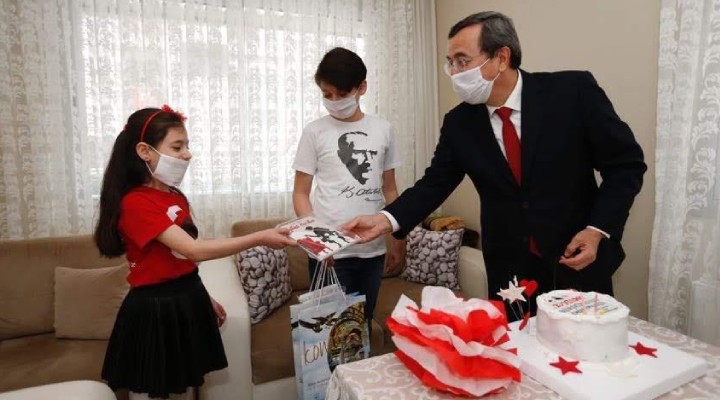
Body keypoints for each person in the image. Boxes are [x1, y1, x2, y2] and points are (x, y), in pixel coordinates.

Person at [342, 12, 647, 319]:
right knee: (515, 347)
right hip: (511, 271)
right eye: (450, 63)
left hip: (578, 258)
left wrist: (597, 230)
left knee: (586, 347)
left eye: (462, 61)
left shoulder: (572, 92)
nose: (454, 73)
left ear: (501, 58)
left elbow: (626, 165)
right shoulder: (459, 123)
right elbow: (435, 183)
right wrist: (385, 220)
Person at [94, 106, 296, 400]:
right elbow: (193, 249)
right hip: (157, 308)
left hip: (187, 296)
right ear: (144, 151)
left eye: (187, 146)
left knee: (189, 386)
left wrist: (202, 296)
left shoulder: (174, 196)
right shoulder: (136, 203)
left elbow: (180, 259)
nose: (187, 154)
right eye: (177, 147)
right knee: (161, 390)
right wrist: (260, 237)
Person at [292, 47, 405, 333]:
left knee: (359, 329)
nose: (334, 102)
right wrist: (318, 243)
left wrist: (398, 240)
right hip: (330, 255)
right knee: (330, 334)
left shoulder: (383, 129)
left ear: (361, 88)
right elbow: (301, 193)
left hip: (372, 251)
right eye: (326, 94)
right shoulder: (315, 132)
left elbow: (390, 189)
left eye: (341, 94)